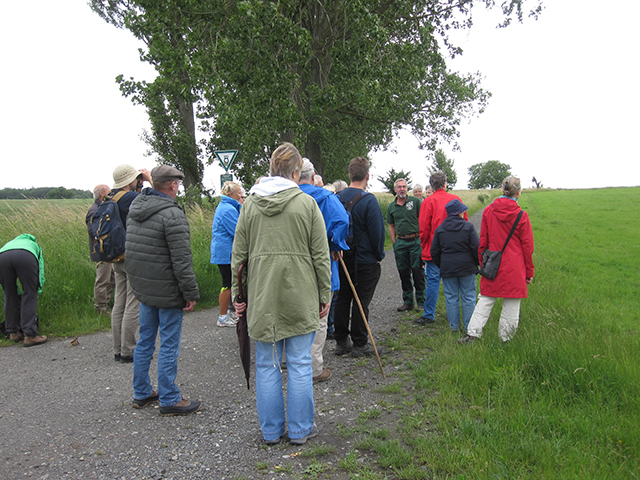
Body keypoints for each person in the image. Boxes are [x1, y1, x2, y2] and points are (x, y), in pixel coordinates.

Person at [232, 143, 331, 445]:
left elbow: (238, 257)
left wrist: (239, 295)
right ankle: (301, 430)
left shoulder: (249, 204)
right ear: (296, 172)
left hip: (262, 296)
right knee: (300, 363)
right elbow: (320, 256)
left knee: (266, 363)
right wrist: (324, 294)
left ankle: (271, 431)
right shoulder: (306, 204)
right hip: (300, 294)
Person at [125, 165, 202, 416]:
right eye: (178, 183)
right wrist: (189, 293)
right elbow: (181, 261)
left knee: (146, 340)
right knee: (169, 343)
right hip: (168, 291)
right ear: (172, 185)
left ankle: (142, 392)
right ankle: (169, 397)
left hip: (144, 288)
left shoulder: (135, 209)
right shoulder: (172, 214)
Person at [460, 176, 534, 343]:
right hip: (515, 266)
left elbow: (483, 242)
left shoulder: (488, 211)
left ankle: (472, 334)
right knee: (512, 304)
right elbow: (527, 247)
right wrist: (529, 271)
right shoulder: (522, 215)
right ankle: (505, 340)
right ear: (519, 192)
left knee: (485, 299)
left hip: (493, 262)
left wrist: (482, 262)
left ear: (503, 189)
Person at [298, 158, 349, 384]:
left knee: (295, 313)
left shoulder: (284, 197)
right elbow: (341, 221)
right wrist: (335, 244)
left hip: (292, 265)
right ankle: (314, 367)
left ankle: (288, 358)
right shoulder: (326, 198)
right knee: (320, 314)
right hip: (321, 262)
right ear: (313, 175)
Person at [334, 157, 386, 357]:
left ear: (349, 175)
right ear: (367, 176)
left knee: (342, 298)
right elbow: (377, 233)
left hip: (341, 257)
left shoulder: (337, 198)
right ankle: (359, 343)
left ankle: (340, 341)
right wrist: (379, 255)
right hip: (365, 260)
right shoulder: (369, 200)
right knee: (361, 301)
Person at [109, 164, 151, 363]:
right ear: (129, 181)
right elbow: (157, 201)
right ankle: (129, 349)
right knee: (133, 302)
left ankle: (118, 349)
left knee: (119, 302)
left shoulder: (111, 196)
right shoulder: (130, 198)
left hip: (116, 256)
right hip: (131, 255)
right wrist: (150, 179)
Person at [417, 171, 467, 325]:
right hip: (455, 249)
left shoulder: (428, 202)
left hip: (434, 248)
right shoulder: (456, 199)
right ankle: (455, 317)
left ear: (432, 185)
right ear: (445, 183)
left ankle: (429, 314)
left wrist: (424, 245)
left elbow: (423, 228)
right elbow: (465, 222)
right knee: (454, 283)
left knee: (432, 281)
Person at [430, 199, 479, 332]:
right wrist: (476, 264)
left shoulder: (440, 229)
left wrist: (442, 265)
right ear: (460, 213)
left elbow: (434, 251)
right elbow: (476, 248)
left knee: (451, 297)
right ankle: (469, 328)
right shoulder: (468, 227)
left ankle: (454, 328)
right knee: (468, 297)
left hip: (448, 268)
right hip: (467, 267)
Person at [0, 234, 47, 346]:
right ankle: (30, 335)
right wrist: (37, 290)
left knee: (9, 293)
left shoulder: (9, 244)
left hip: (2, 257)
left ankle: (13, 333)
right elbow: (40, 269)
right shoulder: (34, 245)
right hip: (26, 256)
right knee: (30, 293)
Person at [387, 178, 425, 312]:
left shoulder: (415, 202)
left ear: (407, 188)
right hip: (401, 242)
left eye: (404, 186)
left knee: (417, 271)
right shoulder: (392, 206)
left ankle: (421, 301)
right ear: (395, 189)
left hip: (415, 241)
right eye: (399, 187)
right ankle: (408, 301)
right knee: (403, 272)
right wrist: (394, 243)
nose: (402, 189)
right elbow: (391, 225)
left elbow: (423, 219)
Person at [210, 181, 243, 327]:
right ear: (231, 194)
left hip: (223, 251)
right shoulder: (228, 209)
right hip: (225, 253)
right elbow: (238, 231)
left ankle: (226, 313)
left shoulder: (225, 206)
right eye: (239, 192)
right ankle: (222, 316)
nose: (241, 194)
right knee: (227, 285)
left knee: (228, 283)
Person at [86, 184, 115, 315]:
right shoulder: (95, 210)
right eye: (109, 193)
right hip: (101, 251)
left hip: (108, 251)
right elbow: (94, 233)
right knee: (103, 280)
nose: (111, 195)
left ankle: (106, 304)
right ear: (102, 194)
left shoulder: (101, 208)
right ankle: (100, 308)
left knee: (111, 279)